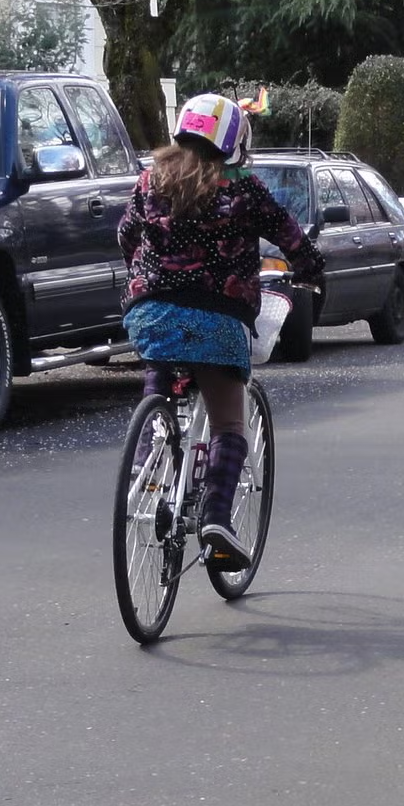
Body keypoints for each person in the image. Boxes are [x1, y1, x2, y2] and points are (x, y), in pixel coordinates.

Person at [117, 92, 324, 572]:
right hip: (218, 317)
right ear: (234, 143)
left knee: (161, 371)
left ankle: (146, 458)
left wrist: (146, 275)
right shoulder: (244, 189)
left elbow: (126, 234)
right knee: (229, 422)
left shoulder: (150, 180)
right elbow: (289, 235)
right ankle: (216, 518)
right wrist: (312, 270)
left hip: (152, 312)